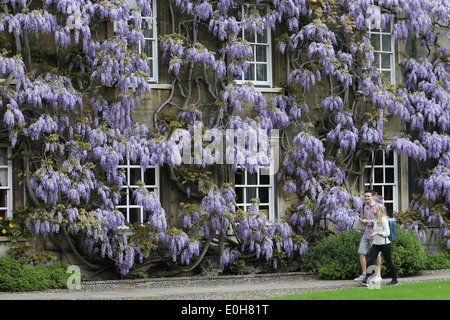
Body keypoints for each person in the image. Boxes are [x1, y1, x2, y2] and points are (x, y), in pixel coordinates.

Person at [361, 202, 398, 286]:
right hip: (376, 244)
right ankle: (367, 279)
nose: (372, 210)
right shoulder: (374, 220)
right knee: (370, 259)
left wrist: (376, 233)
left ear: (378, 210)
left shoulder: (384, 219)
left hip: (385, 244)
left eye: (373, 209)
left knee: (389, 261)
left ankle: (395, 280)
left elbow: (387, 233)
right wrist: (374, 240)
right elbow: (374, 230)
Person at [354, 190, 382, 283]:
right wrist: (361, 228)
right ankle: (364, 274)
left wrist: (368, 221)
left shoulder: (377, 207)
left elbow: (379, 220)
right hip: (366, 234)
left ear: (373, 197)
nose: (366, 198)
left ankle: (378, 275)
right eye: (365, 196)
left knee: (377, 255)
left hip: (375, 234)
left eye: (368, 196)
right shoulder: (365, 207)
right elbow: (365, 220)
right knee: (361, 252)